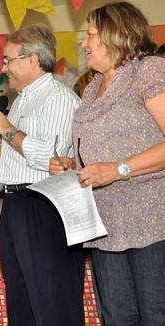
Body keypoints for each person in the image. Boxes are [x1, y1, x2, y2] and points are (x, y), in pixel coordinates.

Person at [50, 2, 165, 324]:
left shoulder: (149, 70)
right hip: (103, 223)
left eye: (90, 34)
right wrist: (71, 165)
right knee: (115, 316)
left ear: (118, 33)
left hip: (151, 217)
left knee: (155, 314)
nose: (84, 43)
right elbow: (97, 153)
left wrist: (118, 169)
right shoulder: (89, 89)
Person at [0, 24, 84, 325]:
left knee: (53, 298)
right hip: (15, 203)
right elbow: (19, 157)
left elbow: (50, 158)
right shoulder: (21, 99)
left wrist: (6, 129)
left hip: (45, 202)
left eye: (8, 60)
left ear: (32, 60)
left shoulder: (57, 97)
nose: (4, 67)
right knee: (21, 299)